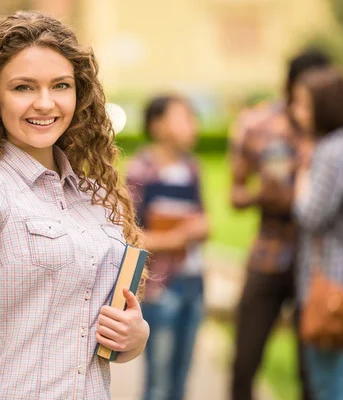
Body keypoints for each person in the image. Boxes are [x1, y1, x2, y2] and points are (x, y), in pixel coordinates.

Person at [0, 11, 150, 399]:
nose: (45, 103)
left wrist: (135, 336)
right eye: (23, 87)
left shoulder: (92, 197)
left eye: (60, 85)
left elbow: (104, 329)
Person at [229, 49, 331, 400]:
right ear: (290, 85)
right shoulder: (256, 125)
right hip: (268, 256)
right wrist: (261, 195)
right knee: (244, 361)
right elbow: (236, 194)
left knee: (313, 370)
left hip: (317, 263)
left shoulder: (331, 131)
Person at [291, 67, 343, 400]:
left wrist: (301, 176)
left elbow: (311, 215)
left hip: (326, 282)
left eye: (304, 105)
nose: (297, 113)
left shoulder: (331, 151)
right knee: (335, 374)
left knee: (329, 383)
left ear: (325, 108)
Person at [125, 95, 208, 400]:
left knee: (182, 378)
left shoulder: (193, 168)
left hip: (193, 282)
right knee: (158, 382)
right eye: (182, 117)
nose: (192, 125)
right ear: (157, 125)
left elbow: (204, 220)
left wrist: (200, 228)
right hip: (161, 287)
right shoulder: (140, 171)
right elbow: (130, 236)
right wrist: (174, 239)